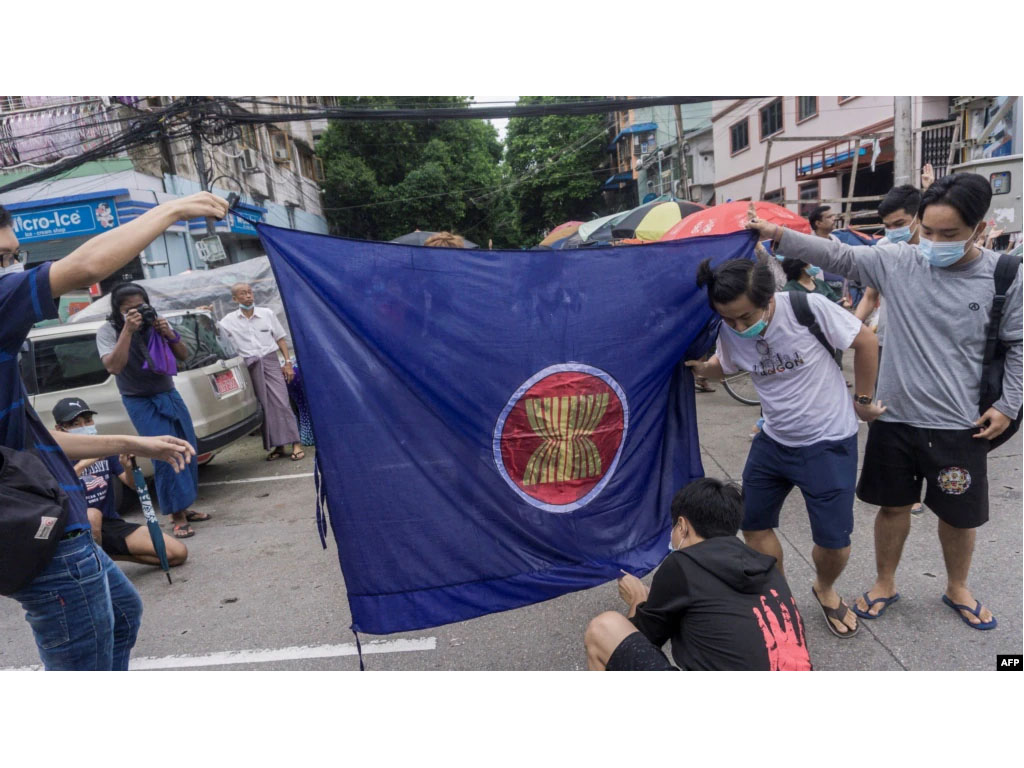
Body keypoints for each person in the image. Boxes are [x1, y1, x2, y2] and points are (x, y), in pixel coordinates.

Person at [746, 174, 1023, 630]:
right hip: (893, 417)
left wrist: (1009, 404)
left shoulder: (1005, 275)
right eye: (927, 231)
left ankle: (957, 587)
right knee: (892, 506)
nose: (933, 243)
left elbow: (1018, 344)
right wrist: (778, 234)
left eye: (948, 234)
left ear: (979, 228)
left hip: (961, 421)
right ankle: (884, 582)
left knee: (959, 515)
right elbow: (838, 254)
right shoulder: (899, 261)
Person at [1, 192, 226, 670]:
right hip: (42, 535)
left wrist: (133, 443)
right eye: (1, 258)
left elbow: (31, 439)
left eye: (13, 256)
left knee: (124, 615)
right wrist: (173, 210)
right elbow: (84, 266)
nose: (12, 268)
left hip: (58, 524)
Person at [685, 256, 884, 638]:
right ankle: (778, 594)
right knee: (753, 523)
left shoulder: (805, 308)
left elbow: (866, 340)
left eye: (746, 317)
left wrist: (862, 400)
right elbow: (724, 365)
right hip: (773, 441)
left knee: (834, 544)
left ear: (769, 297)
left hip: (827, 442)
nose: (739, 327)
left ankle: (824, 589)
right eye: (728, 319)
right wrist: (698, 366)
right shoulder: (729, 329)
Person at [584, 478, 812, 671]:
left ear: (682, 526)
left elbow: (641, 641)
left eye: (673, 528)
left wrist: (638, 599)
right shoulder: (767, 568)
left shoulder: (683, 564)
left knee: (605, 627)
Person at [97, 282, 210, 539]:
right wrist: (127, 330)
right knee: (164, 454)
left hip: (168, 393)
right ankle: (176, 516)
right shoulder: (108, 331)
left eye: (141, 307)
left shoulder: (155, 323)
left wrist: (168, 332)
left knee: (187, 448)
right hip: (139, 400)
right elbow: (114, 366)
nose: (136, 313)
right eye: (129, 310)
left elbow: (183, 355)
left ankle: (185, 506)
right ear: (118, 311)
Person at [853, 183, 928, 516]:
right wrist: (852, 327)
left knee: (921, 414)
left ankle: (922, 478)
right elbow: (870, 295)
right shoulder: (884, 249)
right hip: (884, 342)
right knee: (879, 411)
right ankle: (899, 481)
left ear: (917, 217)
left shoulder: (936, 248)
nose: (893, 231)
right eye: (888, 225)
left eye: (899, 224)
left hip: (923, 346)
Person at [52, 397, 187, 568]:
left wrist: (128, 467)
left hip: (110, 523)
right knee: (93, 514)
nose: (84, 427)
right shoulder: (54, 456)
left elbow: (133, 485)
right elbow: (55, 492)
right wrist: (84, 463)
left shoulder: (104, 448)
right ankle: (94, 569)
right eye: (75, 424)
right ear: (60, 429)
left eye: (87, 421)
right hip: (76, 526)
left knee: (177, 553)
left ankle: (109, 557)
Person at [217, 283, 303, 461]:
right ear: (235, 299)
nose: (248, 296)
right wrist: (206, 312)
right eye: (243, 293)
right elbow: (215, 332)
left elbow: (280, 339)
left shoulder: (266, 314)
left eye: (249, 292)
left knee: (282, 402)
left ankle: (296, 443)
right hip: (250, 366)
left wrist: (287, 363)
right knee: (265, 407)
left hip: (270, 361)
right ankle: (279, 446)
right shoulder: (228, 321)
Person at [781, 257, 847, 304]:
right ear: (802, 268)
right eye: (811, 263)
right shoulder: (789, 290)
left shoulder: (820, 283)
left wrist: (844, 302)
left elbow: (835, 300)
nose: (815, 265)